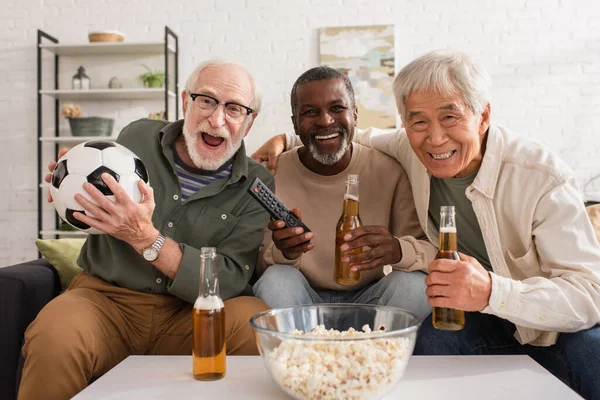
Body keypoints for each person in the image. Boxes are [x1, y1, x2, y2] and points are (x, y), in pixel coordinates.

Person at [252, 50, 600, 399]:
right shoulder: (407, 148)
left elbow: (590, 295)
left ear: (483, 116)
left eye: (450, 117)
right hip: (479, 320)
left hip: (553, 326)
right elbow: (340, 134)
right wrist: (283, 140)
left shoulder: (542, 178)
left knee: (593, 352)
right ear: (405, 124)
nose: (435, 138)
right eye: (418, 121)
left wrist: (492, 292)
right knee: (431, 339)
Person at [19, 59, 274, 400]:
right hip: (104, 301)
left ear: (249, 121)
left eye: (234, 109)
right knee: (55, 333)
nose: (217, 120)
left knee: (256, 321)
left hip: (191, 317)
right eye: (207, 101)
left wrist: (146, 238)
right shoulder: (137, 137)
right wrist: (74, 187)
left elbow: (228, 279)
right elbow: (100, 197)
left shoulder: (258, 183)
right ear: (186, 102)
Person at [253, 66, 436, 318]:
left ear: (356, 115)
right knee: (276, 280)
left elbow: (427, 250)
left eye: (337, 108)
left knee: (414, 286)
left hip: (370, 300)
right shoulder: (272, 174)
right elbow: (258, 269)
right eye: (310, 112)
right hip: (301, 302)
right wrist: (285, 253)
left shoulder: (389, 170)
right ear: (295, 124)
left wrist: (397, 249)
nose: (325, 120)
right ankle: (303, 355)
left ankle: (372, 354)